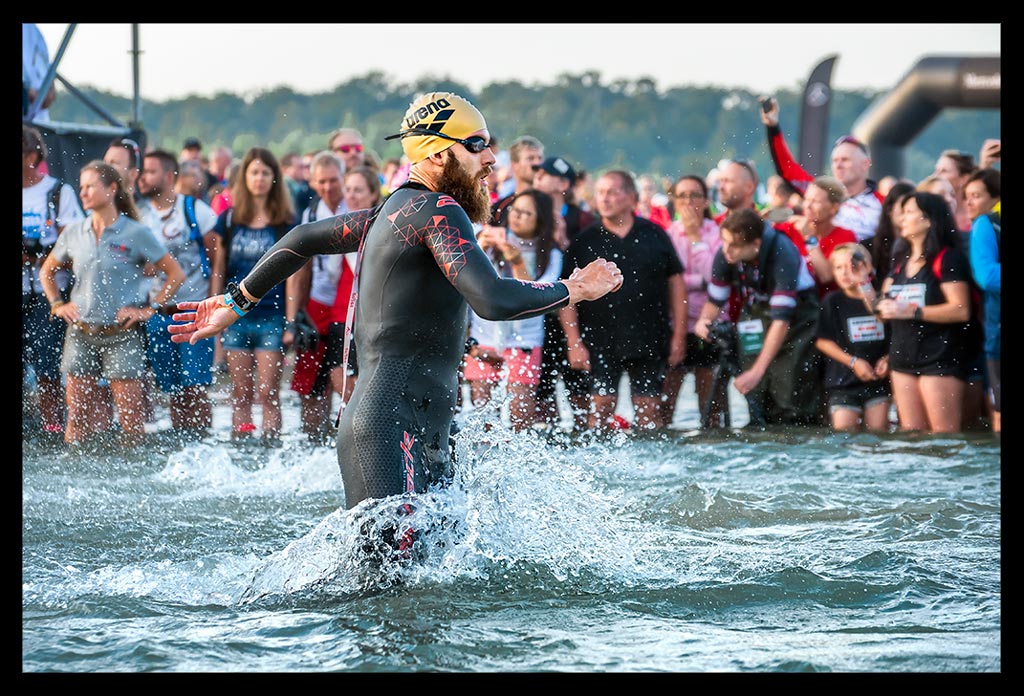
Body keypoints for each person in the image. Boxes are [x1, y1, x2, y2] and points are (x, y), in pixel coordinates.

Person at [168, 91, 622, 524]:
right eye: (477, 144)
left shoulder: (393, 212)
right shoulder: (436, 210)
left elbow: (301, 239)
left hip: (420, 423)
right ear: (439, 153)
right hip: (389, 424)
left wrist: (236, 301)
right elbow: (493, 299)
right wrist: (574, 287)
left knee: (428, 585)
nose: (489, 159)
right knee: (383, 591)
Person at [40, 161, 185, 447]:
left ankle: (132, 479)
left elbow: (175, 274)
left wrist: (149, 309)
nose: (83, 192)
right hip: (80, 332)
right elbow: (47, 271)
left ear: (112, 188)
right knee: (77, 418)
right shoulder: (73, 232)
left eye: (90, 186)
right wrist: (57, 303)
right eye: (81, 187)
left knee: (131, 421)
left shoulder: (135, 232)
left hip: (121, 335)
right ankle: (76, 475)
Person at [559, 170, 685, 430]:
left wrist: (679, 336)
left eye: (613, 192)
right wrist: (573, 342)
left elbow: (676, 284)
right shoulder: (585, 240)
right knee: (600, 409)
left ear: (631, 197)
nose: (605, 198)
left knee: (649, 411)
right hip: (599, 339)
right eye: (601, 192)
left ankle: (651, 466)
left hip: (649, 336)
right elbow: (566, 293)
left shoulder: (654, 234)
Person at [694, 207, 823, 427]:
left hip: (797, 317)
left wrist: (756, 371)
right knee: (757, 391)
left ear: (755, 244)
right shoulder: (726, 252)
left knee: (789, 389)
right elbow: (715, 301)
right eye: (724, 242)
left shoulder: (783, 253)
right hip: (756, 313)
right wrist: (703, 321)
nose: (727, 251)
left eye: (734, 246)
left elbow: (781, 320)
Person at [211, 147, 298, 444]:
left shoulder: (285, 221)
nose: (259, 178)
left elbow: (293, 276)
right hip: (236, 315)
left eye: (265, 172)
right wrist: (215, 313)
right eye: (254, 172)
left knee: (268, 393)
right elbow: (219, 271)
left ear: (274, 177)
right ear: (244, 177)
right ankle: (242, 448)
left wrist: (290, 321)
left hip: (272, 317)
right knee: (241, 394)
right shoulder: (229, 219)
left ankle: (271, 446)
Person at [136, 149, 221, 438]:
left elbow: (216, 258)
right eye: (142, 172)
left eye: (149, 172)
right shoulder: (139, 215)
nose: (142, 178)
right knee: (171, 389)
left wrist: (215, 303)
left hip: (195, 309)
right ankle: (180, 445)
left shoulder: (196, 211)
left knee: (195, 386)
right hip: (158, 314)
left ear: (169, 176)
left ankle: (203, 444)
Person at [464, 188, 562, 431]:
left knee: (522, 417)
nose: (517, 216)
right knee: (483, 418)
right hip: (484, 337)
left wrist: (517, 261)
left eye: (526, 213)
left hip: (524, 340)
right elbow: (470, 284)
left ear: (540, 221)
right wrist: (479, 249)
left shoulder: (551, 253)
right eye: (515, 210)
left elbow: (535, 297)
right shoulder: (482, 238)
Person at [876, 191, 974, 433]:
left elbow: (960, 310)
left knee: (942, 437)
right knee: (911, 436)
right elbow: (882, 307)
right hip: (902, 359)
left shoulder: (948, 258)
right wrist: (870, 293)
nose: (902, 219)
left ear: (929, 220)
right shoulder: (900, 259)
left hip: (939, 358)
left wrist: (913, 311)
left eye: (909, 212)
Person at [286, 151, 357, 444]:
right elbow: (299, 268)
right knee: (310, 381)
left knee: (345, 377)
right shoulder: (311, 214)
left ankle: (348, 436)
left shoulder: (354, 204)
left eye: (333, 181)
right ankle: (312, 440)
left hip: (349, 300)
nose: (328, 187)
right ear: (313, 182)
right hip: (318, 301)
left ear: (343, 178)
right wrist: (294, 316)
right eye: (322, 182)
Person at [22, 125, 85, 438]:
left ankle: (52, 427)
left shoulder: (59, 191)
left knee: (48, 367)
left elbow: (73, 248)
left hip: (50, 292)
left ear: (32, 156)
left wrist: (39, 255)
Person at [759, 97, 884, 243]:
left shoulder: (883, 203)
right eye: (835, 161)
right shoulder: (819, 192)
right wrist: (773, 127)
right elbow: (788, 170)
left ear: (865, 164)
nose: (838, 165)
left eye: (845, 160)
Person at [529, 155, 595, 428]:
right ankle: (551, 440)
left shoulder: (582, 218)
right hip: (537, 315)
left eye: (546, 174)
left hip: (577, 310)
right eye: (538, 173)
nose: (538, 178)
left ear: (564, 183)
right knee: (541, 392)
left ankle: (581, 440)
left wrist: (564, 242)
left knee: (579, 388)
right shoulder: (527, 212)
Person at [661, 174, 728, 429]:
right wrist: (695, 281)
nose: (689, 201)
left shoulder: (718, 234)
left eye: (695, 195)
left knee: (710, 402)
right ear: (675, 201)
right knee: (668, 395)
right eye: (683, 196)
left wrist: (694, 237)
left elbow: (716, 276)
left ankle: (711, 442)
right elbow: (667, 279)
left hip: (709, 320)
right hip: (675, 322)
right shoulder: (667, 235)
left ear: (706, 200)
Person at [813, 243, 892, 432]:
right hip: (844, 382)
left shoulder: (880, 298)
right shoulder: (832, 301)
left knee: (878, 430)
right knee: (843, 429)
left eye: (851, 266)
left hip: (878, 380)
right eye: (838, 267)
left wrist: (890, 358)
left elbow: (896, 334)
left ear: (866, 267)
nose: (844, 273)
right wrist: (853, 362)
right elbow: (822, 341)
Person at [774, 175, 857, 298]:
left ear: (834, 208)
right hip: (789, 302)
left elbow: (826, 276)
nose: (807, 206)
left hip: (824, 306)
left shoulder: (845, 236)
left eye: (815, 201)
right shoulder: (788, 229)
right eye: (806, 199)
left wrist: (809, 238)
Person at [964, 168, 1000, 433]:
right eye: (967, 196)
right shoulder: (985, 224)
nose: (968, 202)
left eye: (976, 195)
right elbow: (986, 276)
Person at [869, 181, 917, 291]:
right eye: (903, 207)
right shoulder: (870, 247)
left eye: (911, 209)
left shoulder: (919, 247)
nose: (906, 214)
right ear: (889, 209)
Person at [491, 135, 545, 221]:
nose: (538, 164)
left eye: (540, 158)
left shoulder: (550, 203)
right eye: (530, 158)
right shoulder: (500, 208)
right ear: (514, 165)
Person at [932, 149, 977, 232]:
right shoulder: (930, 213)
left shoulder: (977, 215)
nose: (936, 176)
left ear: (964, 179)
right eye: (936, 171)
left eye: (944, 171)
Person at [23, 23, 56, 123]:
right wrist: (28, 94)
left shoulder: (33, 31)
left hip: (39, 127)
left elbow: (50, 94)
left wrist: (47, 93)